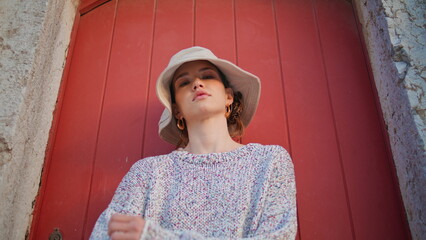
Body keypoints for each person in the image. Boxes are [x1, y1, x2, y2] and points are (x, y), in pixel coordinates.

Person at [90, 46, 297, 239]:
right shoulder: (148, 172)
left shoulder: (269, 162)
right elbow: (104, 234)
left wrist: (155, 236)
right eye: (184, 83)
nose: (197, 83)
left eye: (207, 76)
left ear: (228, 97)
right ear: (176, 110)